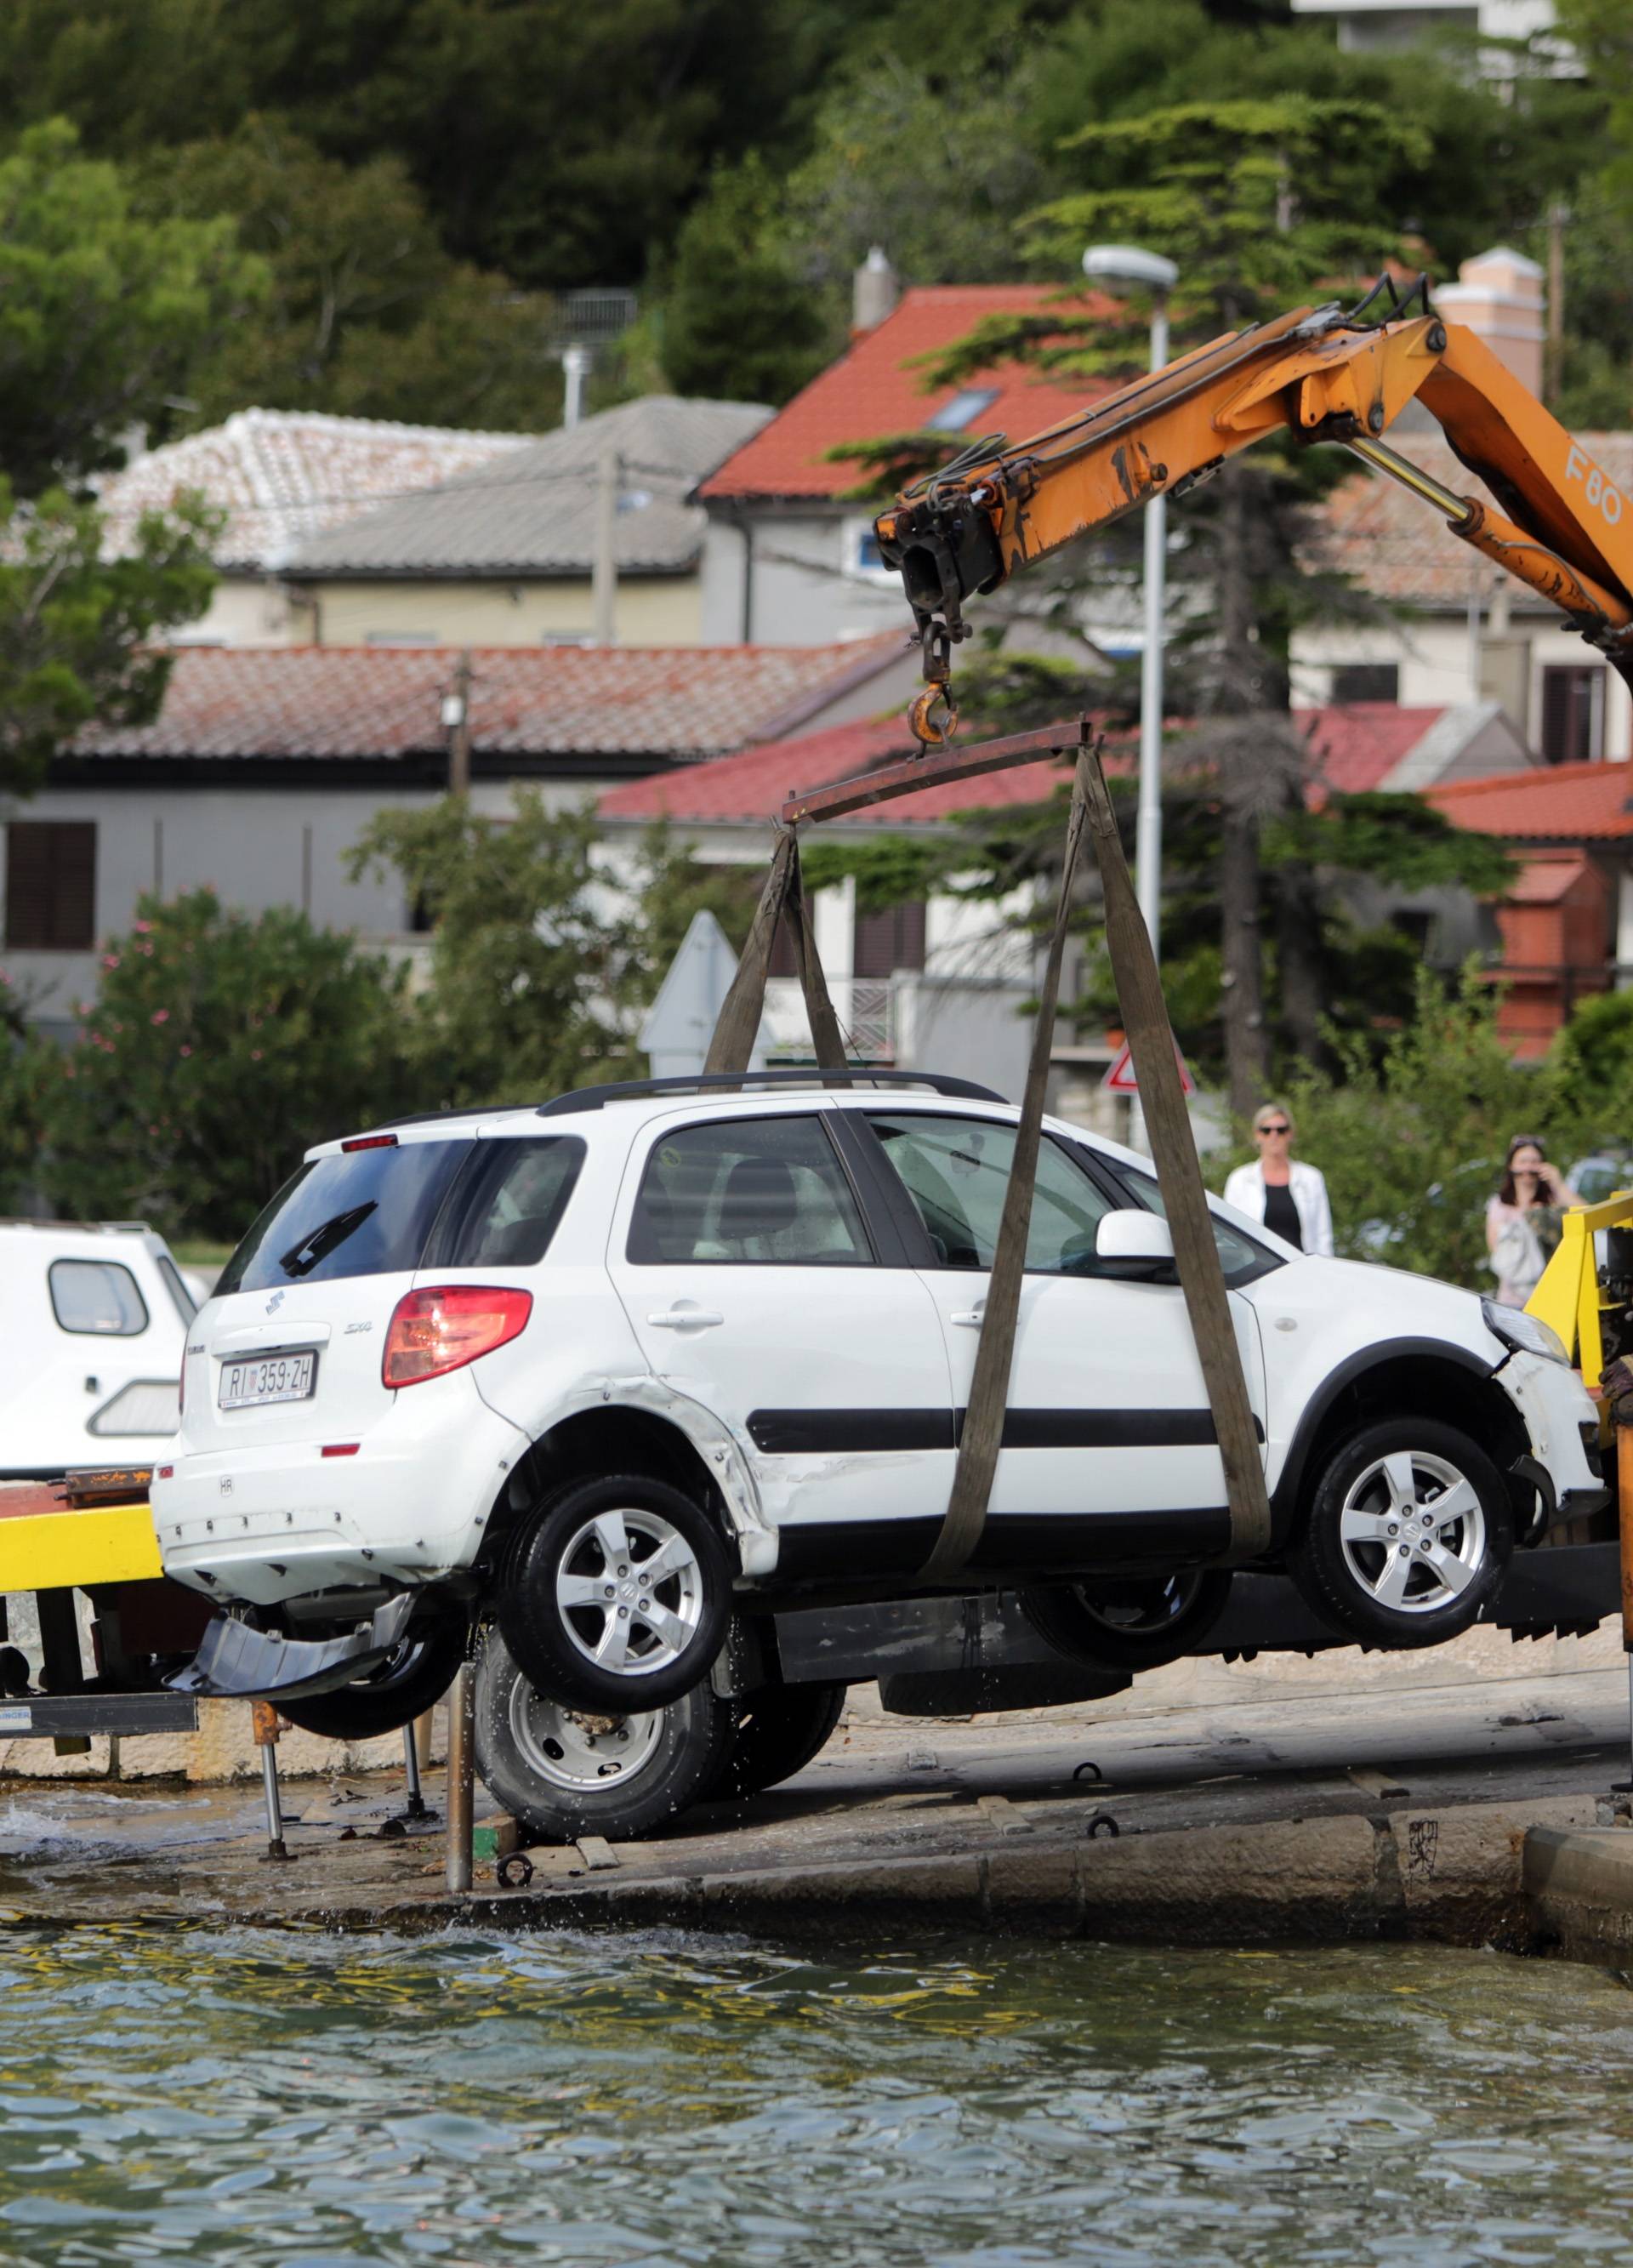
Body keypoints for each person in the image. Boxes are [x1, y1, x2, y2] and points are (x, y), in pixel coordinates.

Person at [1223, 1103, 1334, 1256]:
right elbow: (1230, 1236)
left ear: (1290, 1134)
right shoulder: (1239, 1180)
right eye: (1266, 1130)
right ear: (1257, 1135)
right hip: (1258, 1272)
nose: (1274, 1136)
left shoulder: (1312, 1178)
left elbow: (1323, 1236)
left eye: (1281, 1130)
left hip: (1305, 1269)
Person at [1486, 1136, 1576, 1308]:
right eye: (1523, 1161)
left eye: (1534, 1161)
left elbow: (1587, 1215)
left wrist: (1558, 1184)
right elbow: (1495, 1251)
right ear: (1511, 1166)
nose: (1528, 1167)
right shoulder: (1500, 1204)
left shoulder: (1554, 1201)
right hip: (1512, 1299)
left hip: (1552, 1297)